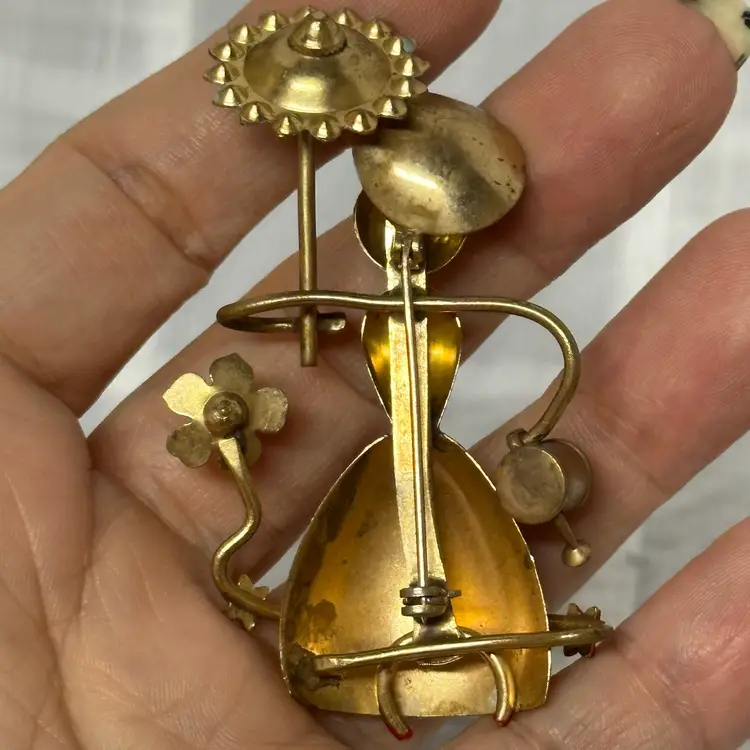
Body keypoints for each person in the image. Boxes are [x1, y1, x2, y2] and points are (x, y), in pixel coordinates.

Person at [0, 0, 748, 748]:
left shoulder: (435, 299)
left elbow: (556, 341)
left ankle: (471, 648)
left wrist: (534, 437)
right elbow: (547, 339)